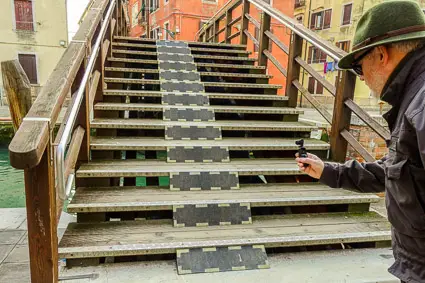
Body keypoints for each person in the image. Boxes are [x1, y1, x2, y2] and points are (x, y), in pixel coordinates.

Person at [295, 1, 425, 282]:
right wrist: (329, 171)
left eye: (358, 66)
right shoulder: (413, 98)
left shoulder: (421, 102)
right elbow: (396, 171)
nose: (362, 76)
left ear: (381, 54)